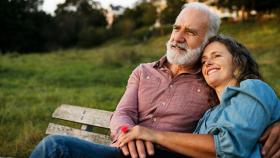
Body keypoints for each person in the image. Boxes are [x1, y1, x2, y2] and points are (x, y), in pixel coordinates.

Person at [30, 2, 280, 158]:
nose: (178, 37)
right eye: (176, 28)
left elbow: (250, 104)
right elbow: (123, 113)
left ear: (207, 40)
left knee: (56, 149)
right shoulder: (143, 71)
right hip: (124, 150)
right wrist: (129, 135)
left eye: (191, 32)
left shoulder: (211, 82)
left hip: (168, 153)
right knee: (55, 149)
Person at [117, 34, 280, 158]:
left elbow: (230, 147)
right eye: (203, 61)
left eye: (216, 56)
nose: (208, 63)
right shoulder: (210, 113)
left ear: (238, 61)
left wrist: (152, 135)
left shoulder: (253, 87)